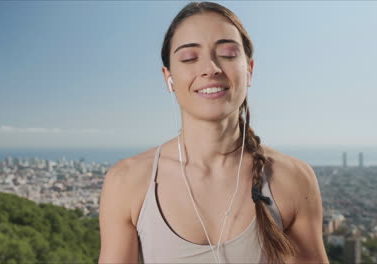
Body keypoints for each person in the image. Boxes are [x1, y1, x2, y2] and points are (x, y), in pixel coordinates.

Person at [99, 1, 329, 263]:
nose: (211, 68)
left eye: (228, 54)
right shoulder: (127, 182)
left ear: (249, 70)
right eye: (189, 58)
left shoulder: (292, 179)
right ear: (168, 77)